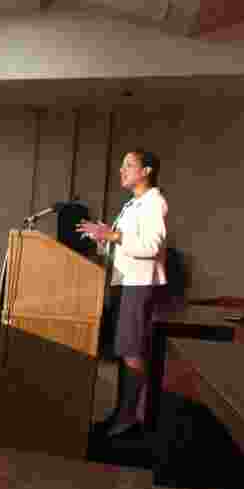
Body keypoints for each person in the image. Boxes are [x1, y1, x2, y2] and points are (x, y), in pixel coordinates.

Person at [77, 149, 168, 437]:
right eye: (121, 165)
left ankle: (129, 419)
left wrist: (113, 236)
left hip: (138, 284)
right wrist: (103, 238)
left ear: (147, 170)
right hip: (123, 282)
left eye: (129, 165)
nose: (122, 170)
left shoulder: (155, 202)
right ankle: (121, 413)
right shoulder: (132, 205)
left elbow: (152, 246)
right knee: (123, 350)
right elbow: (122, 243)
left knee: (131, 350)